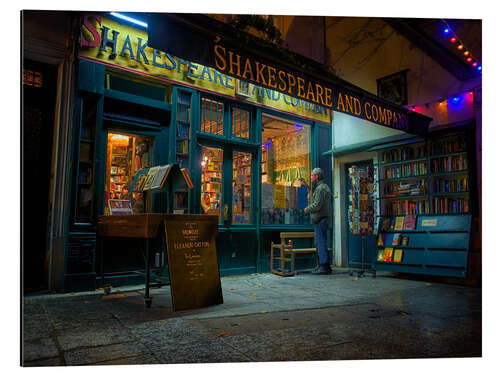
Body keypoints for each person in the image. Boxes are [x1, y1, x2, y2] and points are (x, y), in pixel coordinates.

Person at [302, 167, 332, 275]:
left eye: (312, 175)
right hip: (321, 219)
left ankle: (324, 267)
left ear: (317, 176)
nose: (310, 177)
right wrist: (308, 188)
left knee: (321, 242)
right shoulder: (321, 187)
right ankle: (323, 266)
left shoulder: (321, 188)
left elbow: (317, 204)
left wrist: (307, 209)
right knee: (319, 242)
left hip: (321, 219)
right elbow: (315, 201)